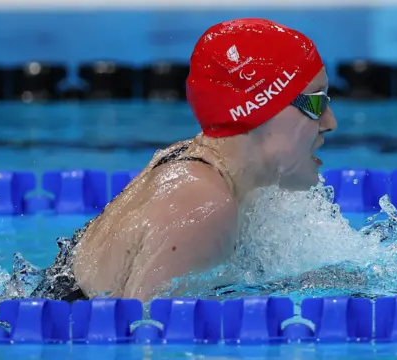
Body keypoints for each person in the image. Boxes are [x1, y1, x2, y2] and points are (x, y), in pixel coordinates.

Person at [25, 17, 338, 303]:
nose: (329, 122)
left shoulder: (202, 164)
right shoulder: (202, 206)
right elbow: (149, 337)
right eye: (315, 103)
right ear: (259, 110)